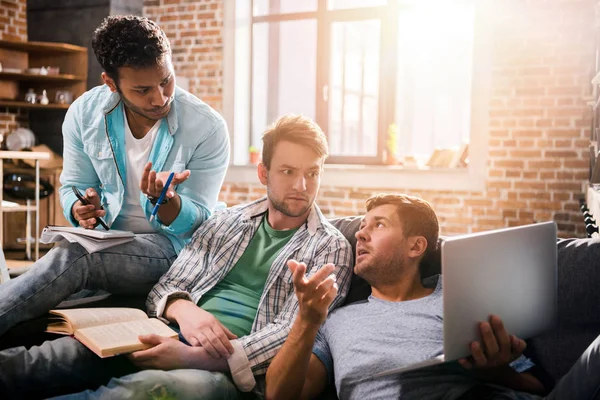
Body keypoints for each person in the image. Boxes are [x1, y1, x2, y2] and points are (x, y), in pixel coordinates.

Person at [0, 114, 354, 399]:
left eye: (312, 173)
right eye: (288, 172)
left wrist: (195, 358)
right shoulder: (228, 221)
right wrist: (183, 310)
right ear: (263, 172)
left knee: (145, 392)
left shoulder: (330, 246)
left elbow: (293, 332)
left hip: (231, 374)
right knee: (49, 360)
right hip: (165, 332)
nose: (302, 186)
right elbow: (168, 284)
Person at [0, 15, 230, 338]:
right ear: (111, 83)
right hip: (110, 240)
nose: (160, 97)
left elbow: (199, 222)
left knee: (74, 256)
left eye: (166, 81)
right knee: (48, 290)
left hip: (174, 249)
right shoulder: (83, 115)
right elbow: (72, 187)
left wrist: (169, 202)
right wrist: (79, 209)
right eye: (143, 89)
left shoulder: (208, 127)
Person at [265, 193, 600, 400]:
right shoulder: (336, 320)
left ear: (416, 246)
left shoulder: (462, 293)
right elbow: (279, 394)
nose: (361, 233)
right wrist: (306, 322)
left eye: (378, 225)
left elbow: (538, 386)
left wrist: (494, 371)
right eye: (363, 225)